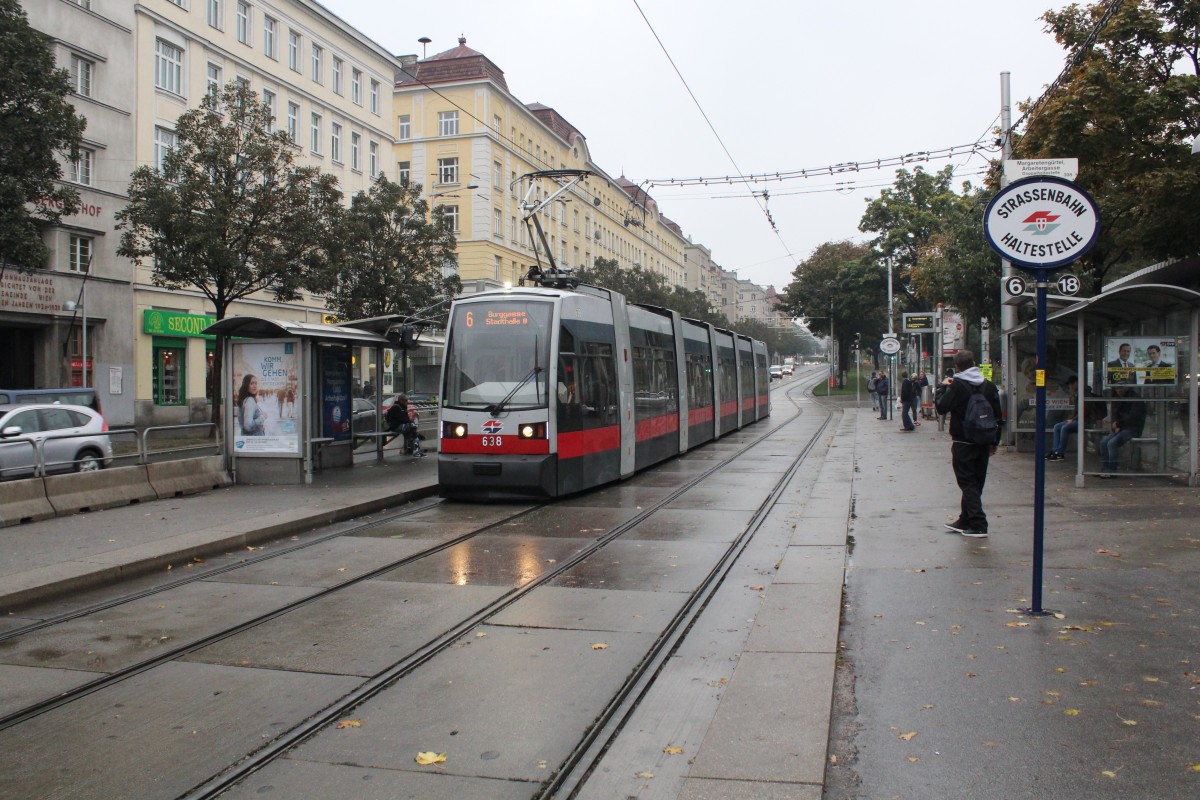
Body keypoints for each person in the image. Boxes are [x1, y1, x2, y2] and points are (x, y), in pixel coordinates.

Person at [934, 350, 1002, 538]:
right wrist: (995, 441)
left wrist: (942, 388)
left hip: (963, 441)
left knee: (967, 482)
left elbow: (941, 407)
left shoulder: (957, 386)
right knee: (976, 482)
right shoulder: (988, 386)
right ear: (974, 363)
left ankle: (979, 524)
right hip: (984, 440)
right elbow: (997, 415)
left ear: (957, 367)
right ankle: (965, 519)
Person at [1097, 385, 1146, 477]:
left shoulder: (1136, 399)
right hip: (1122, 428)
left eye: (1121, 388)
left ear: (1126, 387)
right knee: (1103, 442)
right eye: (1117, 388)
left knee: (1112, 443)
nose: (1119, 390)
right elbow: (1116, 413)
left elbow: (1133, 417)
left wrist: (1119, 424)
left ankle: (1112, 470)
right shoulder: (1120, 399)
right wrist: (1116, 424)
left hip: (1133, 429)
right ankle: (1105, 468)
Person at [1047, 375, 1095, 460]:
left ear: (1076, 383)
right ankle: (1055, 451)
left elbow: (1084, 412)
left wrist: (1073, 419)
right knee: (1057, 426)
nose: (1070, 387)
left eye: (1071, 385)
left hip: (1085, 421)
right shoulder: (1076, 394)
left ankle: (1060, 453)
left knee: (1065, 428)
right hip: (1077, 419)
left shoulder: (1086, 394)